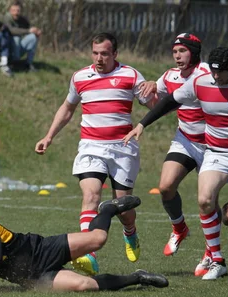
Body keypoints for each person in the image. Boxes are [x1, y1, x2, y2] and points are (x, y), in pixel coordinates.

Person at [35, 32, 153, 276]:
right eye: (95, 53)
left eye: (105, 54)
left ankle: (130, 231)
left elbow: (155, 104)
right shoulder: (80, 77)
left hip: (123, 149)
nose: (99, 59)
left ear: (115, 54)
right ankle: (88, 254)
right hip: (91, 147)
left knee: (123, 209)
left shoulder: (130, 75)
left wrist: (156, 89)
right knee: (91, 196)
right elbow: (67, 109)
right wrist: (49, 136)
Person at [123, 47, 228, 281]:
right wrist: (143, 124)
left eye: (221, 73)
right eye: (214, 73)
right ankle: (217, 260)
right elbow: (170, 102)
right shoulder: (201, 83)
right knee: (204, 200)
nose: (216, 78)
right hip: (217, 153)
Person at [0, 195, 169, 292]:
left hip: (41, 250)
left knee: (98, 239)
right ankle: (138, 277)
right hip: (32, 279)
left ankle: (108, 209)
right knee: (85, 286)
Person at [137, 34, 211, 266]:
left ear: (194, 52)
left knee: (208, 201)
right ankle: (179, 228)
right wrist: (149, 87)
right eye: (175, 52)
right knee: (166, 187)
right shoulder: (170, 75)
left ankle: (212, 252)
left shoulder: (209, 73)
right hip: (186, 141)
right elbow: (155, 99)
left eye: (183, 51)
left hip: (213, 145)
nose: (177, 56)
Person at [2, 0, 41, 72]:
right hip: (8, 49)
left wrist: (36, 31)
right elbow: (12, 31)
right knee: (16, 38)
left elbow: (29, 28)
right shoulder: (6, 18)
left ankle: (28, 64)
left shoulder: (23, 20)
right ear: (10, 10)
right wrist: (28, 31)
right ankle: (13, 63)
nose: (16, 13)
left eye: (18, 10)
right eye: (13, 10)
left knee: (33, 37)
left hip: (18, 48)